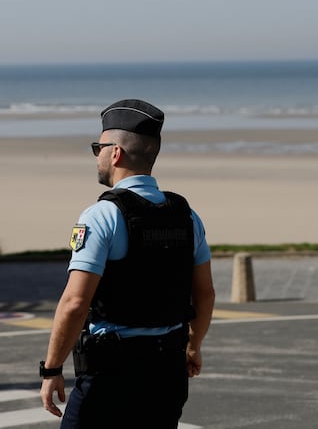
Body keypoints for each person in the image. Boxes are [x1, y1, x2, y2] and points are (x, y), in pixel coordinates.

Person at [40, 99, 215, 429]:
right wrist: (193, 346)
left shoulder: (102, 216)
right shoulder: (187, 216)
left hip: (112, 376)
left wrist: (51, 369)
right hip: (167, 373)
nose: (97, 155)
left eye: (98, 147)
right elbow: (205, 295)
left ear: (115, 153)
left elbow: (75, 303)